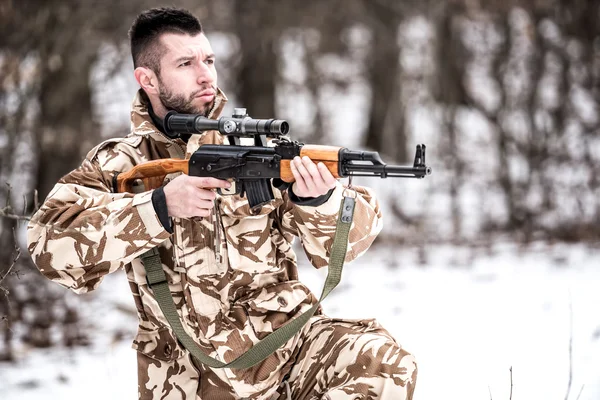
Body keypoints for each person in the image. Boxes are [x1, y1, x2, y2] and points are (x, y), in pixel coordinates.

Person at [27, 7, 417, 400]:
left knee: (383, 363)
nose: (205, 75)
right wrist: (157, 207)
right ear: (147, 79)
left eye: (209, 60)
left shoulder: (252, 150)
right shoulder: (121, 164)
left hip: (290, 355)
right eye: (186, 63)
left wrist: (319, 200)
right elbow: (48, 246)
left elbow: (351, 243)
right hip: (187, 378)